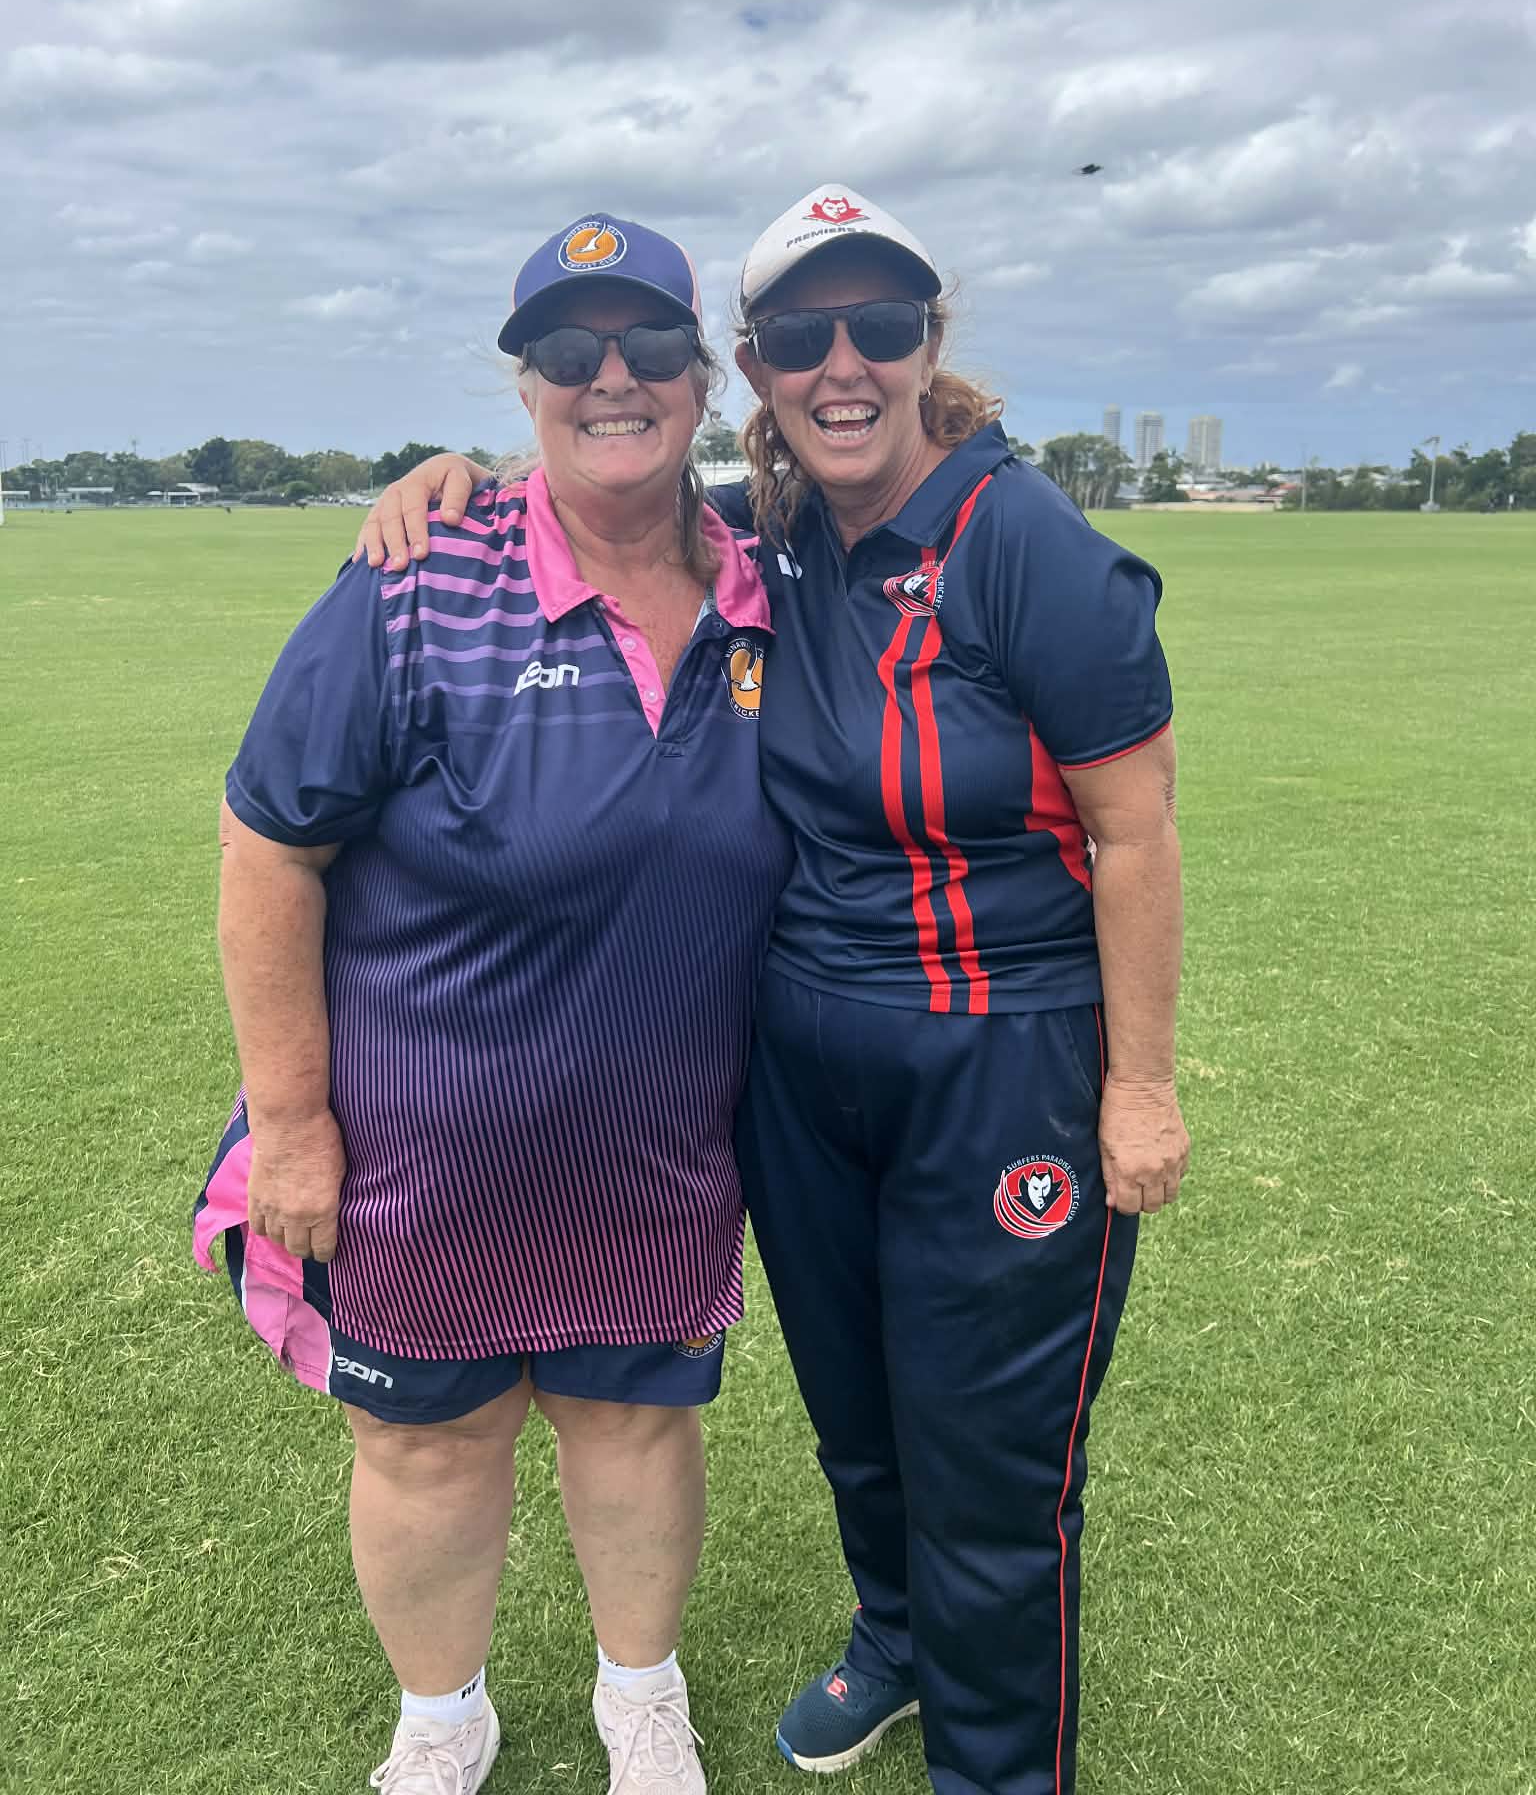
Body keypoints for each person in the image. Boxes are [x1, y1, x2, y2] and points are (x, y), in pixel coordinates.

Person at [360, 185, 1189, 1795]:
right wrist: (458, 481)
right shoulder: (775, 526)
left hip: (998, 1056)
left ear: (928, 344)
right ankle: (899, 1638)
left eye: (880, 325)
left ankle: (997, 1766)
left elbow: (1136, 833)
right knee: (859, 1415)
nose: (842, 363)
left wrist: (1141, 1088)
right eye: (804, 335)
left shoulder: (1029, 546)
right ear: (755, 368)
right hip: (802, 1058)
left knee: (990, 1461)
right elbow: (608, 481)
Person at [195, 213, 792, 1795]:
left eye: (649, 347)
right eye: (569, 352)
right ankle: (442, 1719)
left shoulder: (768, 580)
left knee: (635, 1425)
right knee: (426, 1445)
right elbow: (269, 848)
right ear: (524, 387)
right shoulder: (413, 580)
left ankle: (640, 1700)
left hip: (661, 1144)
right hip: (420, 1151)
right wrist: (290, 1125)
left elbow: (898, 471)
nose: (613, 379)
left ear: (704, 380)